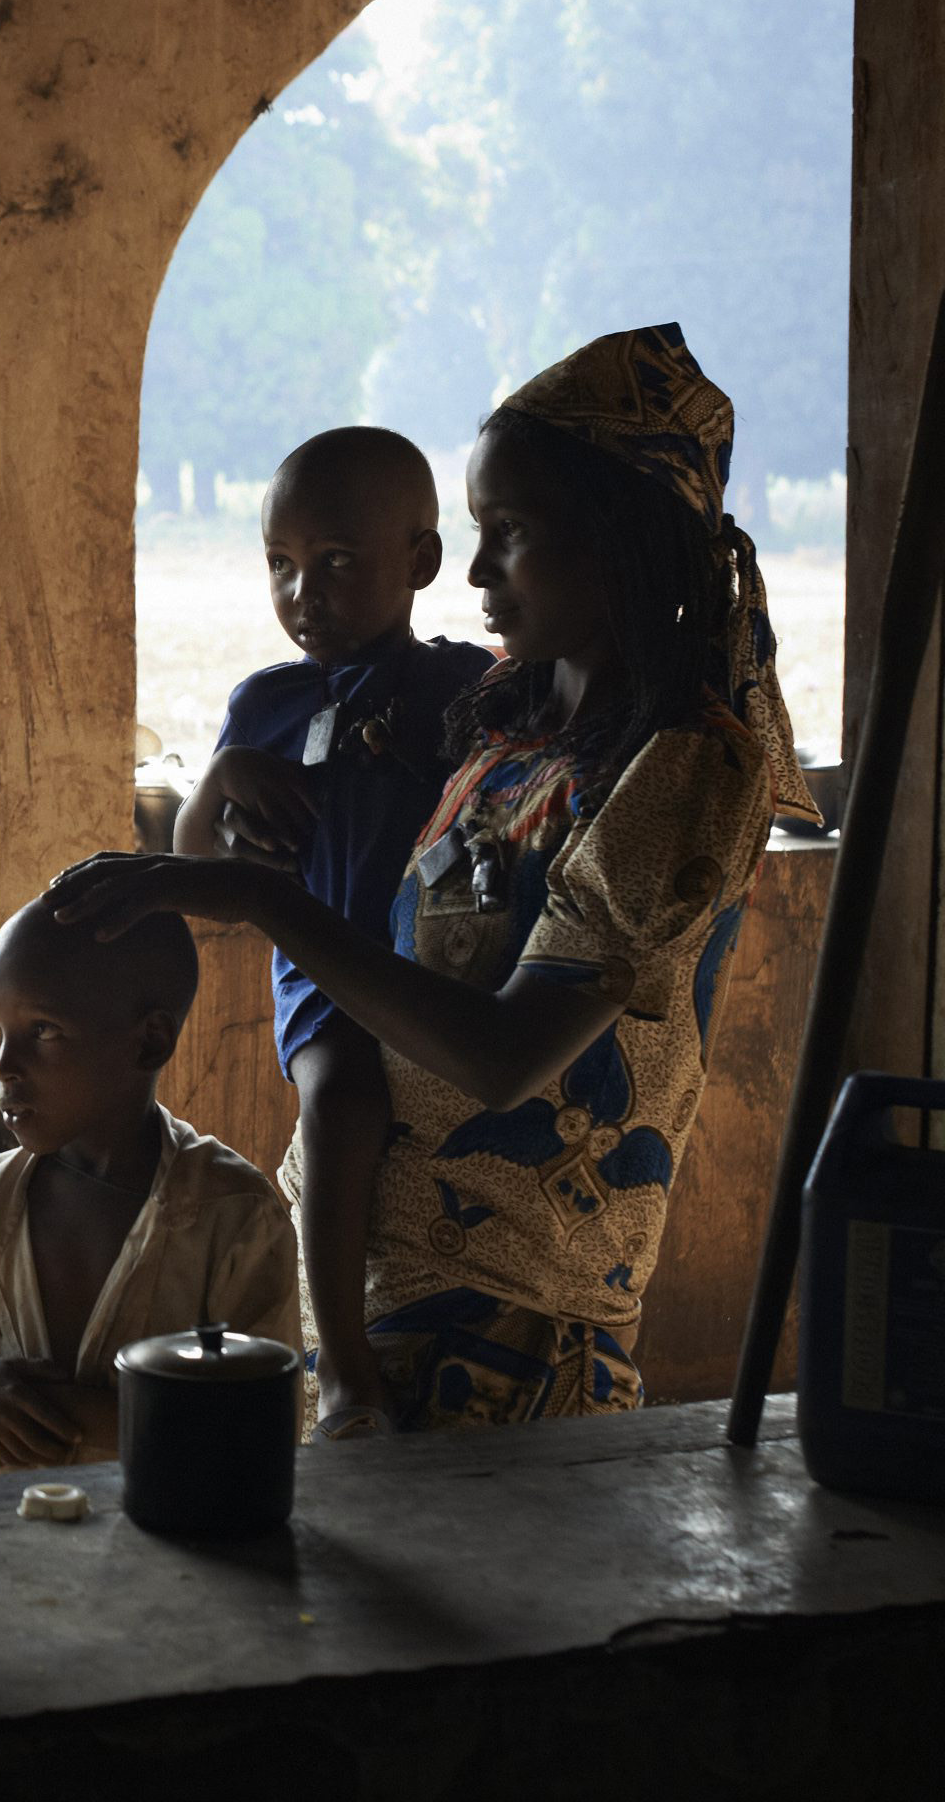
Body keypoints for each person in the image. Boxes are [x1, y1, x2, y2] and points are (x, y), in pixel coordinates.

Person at [49, 325, 817, 1430]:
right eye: (477, 532)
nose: (475, 570)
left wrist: (265, 901)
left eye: (510, 533)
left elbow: (504, 1058)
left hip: (509, 1328)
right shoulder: (506, 723)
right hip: (368, 1291)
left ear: (618, 539)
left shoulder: (680, 766)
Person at [171, 427, 491, 1438]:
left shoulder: (465, 687)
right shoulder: (266, 703)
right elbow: (195, 868)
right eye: (281, 563)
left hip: (440, 962)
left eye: (338, 562)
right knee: (342, 1094)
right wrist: (219, 784)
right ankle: (349, 1370)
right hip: (321, 970)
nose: (301, 592)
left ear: (421, 561)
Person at [0, 896, 299, 1484]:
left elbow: (259, 1429)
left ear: (150, 1041)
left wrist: (72, 1414)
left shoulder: (232, 1217)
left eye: (43, 1030)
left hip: (165, 1539)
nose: (4, 1067)